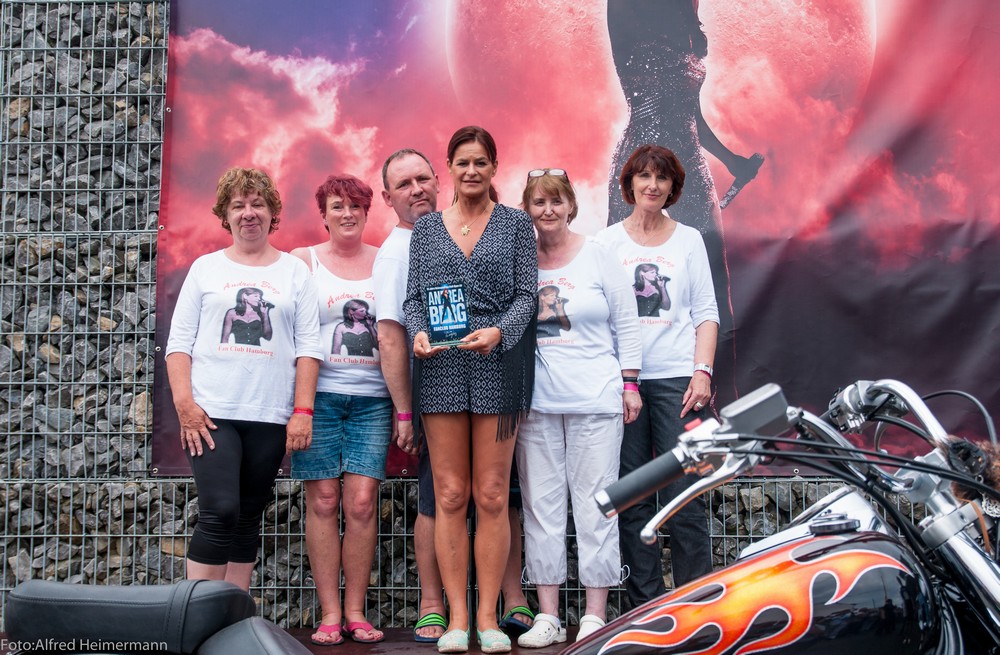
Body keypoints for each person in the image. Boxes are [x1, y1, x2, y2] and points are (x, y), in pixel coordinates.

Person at [375, 149, 534, 644]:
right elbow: (413, 300)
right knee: (449, 495)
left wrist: (500, 332)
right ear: (451, 168)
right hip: (441, 368)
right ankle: (458, 619)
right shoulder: (426, 231)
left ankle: (487, 618)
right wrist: (419, 332)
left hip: (496, 368)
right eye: (462, 162)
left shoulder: (516, 224)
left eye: (480, 162)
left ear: (493, 168)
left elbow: (527, 296)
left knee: (492, 494)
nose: (471, 170)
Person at [165, 167, 322, 592]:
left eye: (257, 204)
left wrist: (302, 411)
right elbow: (178, 344)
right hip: (211, 412)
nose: (248, 213)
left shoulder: (295, 273)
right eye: (238, 205)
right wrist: (185, 406)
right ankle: (198, 613)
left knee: (249, 513)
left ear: (272, 213)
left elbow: (309, 347)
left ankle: (234, 611)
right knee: (219, 510)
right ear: (225, 215)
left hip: (270, 414)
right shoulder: (206, 269)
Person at [607, 0, 763, 402]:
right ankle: (623, 393)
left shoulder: (687, 24)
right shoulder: (626, 10)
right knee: (625, 287)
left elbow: (691, 115)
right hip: (643, 169)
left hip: (690, 171)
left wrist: (731, 160)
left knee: (715, 292)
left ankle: (721, 399)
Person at [514, 169, 643, 647]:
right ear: (527, 210)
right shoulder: (520, 259)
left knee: (597, 505)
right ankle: (548, 616)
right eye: (538, 202)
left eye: (556, 201)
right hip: (537, 405)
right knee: (541, 507)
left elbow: (627, 323)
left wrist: (630, 383)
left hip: (596, 399)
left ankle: (594, 614)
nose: (548, 210)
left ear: (571, 205)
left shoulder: (599, 254)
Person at [596, 144, 719, 608]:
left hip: (677, 382)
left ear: (673, 188)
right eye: (643, 176)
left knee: (685, 492)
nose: (652, 185)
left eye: (661, 178)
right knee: (632, 496)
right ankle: (645, 607)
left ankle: (695, 603)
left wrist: (701, 372)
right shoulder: (605, 243)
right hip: (621, 384)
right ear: (628, 183)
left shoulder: (689, 240)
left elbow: (706, 313)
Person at [290, 174, 391, 646]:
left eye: (355, 206)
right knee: (324, 500)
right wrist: (300, 406)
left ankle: (355, 612)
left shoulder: (386, 261)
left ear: (368, 211)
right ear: (323, 215)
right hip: (320, 399)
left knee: (362, 502)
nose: (347, 214)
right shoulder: (303, 261)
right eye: (337, 206)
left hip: (374, 400)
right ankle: (330, 613)